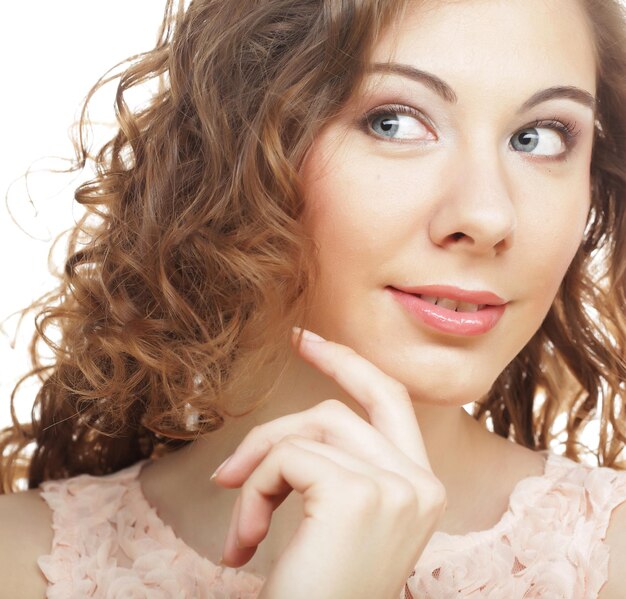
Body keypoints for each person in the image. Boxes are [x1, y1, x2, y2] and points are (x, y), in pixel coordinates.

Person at [1, 0, 626, 596]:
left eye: (539, 137)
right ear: (241, 153)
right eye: (395, 122)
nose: (487, 216)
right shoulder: (21, 562)